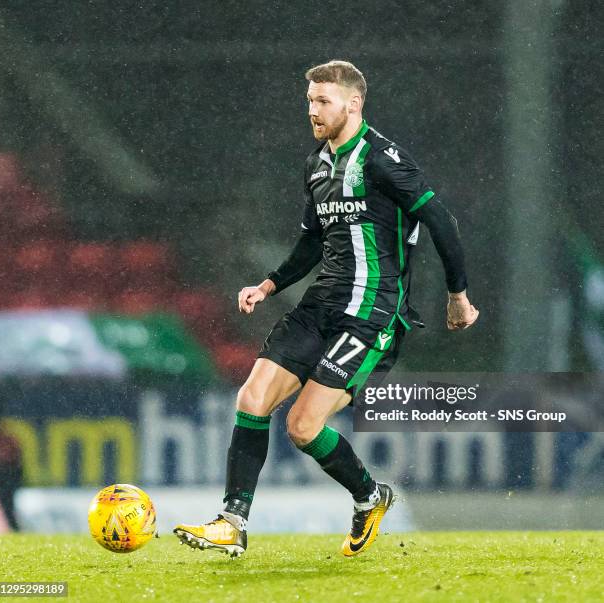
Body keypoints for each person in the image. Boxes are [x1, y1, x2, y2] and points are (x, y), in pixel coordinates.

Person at [175, 60, 478, 558]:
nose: (313, 110)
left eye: (323, 101)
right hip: (320, 304)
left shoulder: (383, 160)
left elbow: (440, 219)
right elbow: (311, 242)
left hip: (372, 312)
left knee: (302, 427)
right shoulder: (317, 164)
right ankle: (231, 522)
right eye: (310, 100)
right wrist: (268, 285)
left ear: (352, 104)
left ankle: (368, 495)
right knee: (252, 398)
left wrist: (457, 294)